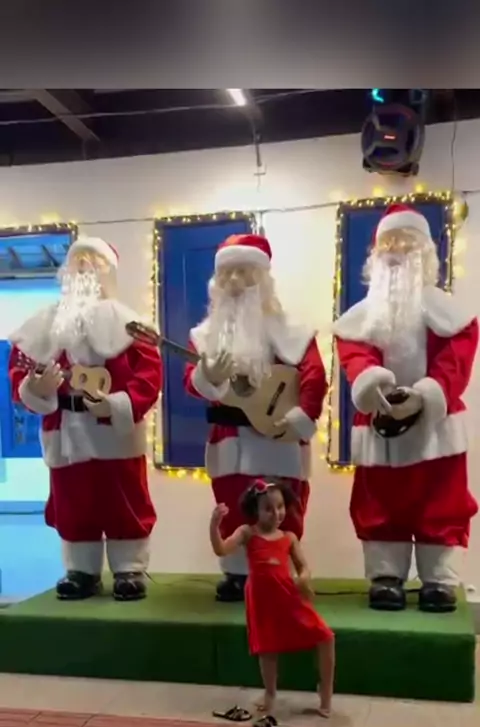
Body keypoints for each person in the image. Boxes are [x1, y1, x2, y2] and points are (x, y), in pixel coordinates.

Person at [333, 203, 478, 613]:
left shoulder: (452, 314)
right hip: (380, 424)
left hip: (436, 429)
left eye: (406, 245)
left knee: (441, 500)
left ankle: (439, 579)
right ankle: (386, 575)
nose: (396, 254)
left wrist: (428, 393)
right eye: (389, 246)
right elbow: (355, 353)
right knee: (380, 501)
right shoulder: (360, 318)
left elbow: (456, 359)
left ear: (424, 254)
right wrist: (370, 382)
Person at [8, 236, 162, 602]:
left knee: (124, 498)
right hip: (66, 432)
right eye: (78, 261)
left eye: (93, 262)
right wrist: (34, 386)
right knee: (73, 501)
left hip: (115, 432)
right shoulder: (44, 324)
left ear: (108, 272)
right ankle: (81, 571)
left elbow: (148, 375)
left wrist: (118, 404)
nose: (84, 268)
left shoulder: (131, 326)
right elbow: (19, 370)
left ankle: (129, 569)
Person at [185, 232, 328, 602]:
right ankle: (236, 574)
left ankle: (281, 570)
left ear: (263, 278)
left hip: (281, 437)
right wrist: (208, 375)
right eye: (227, 275)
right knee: (232, 502)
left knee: (285, 505)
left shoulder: (294, 332)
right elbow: (191, 383)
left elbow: (313, 375)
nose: (235, 282)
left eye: (244, 273)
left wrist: (302, 415)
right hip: (231, 440)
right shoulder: (204, 337)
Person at [210, 479, 335, 724]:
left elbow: (303, 566)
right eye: (268, 508)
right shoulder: (247, 532)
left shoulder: (289, 537)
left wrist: (303, 578)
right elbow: (221, 549)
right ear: (255, 510)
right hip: (261, 597)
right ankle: (270, 692)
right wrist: (214, 525)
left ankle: (326, 691)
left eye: (280, 507)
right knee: (267, 648)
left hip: (287, 594)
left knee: (325, 636)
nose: (276, 513)